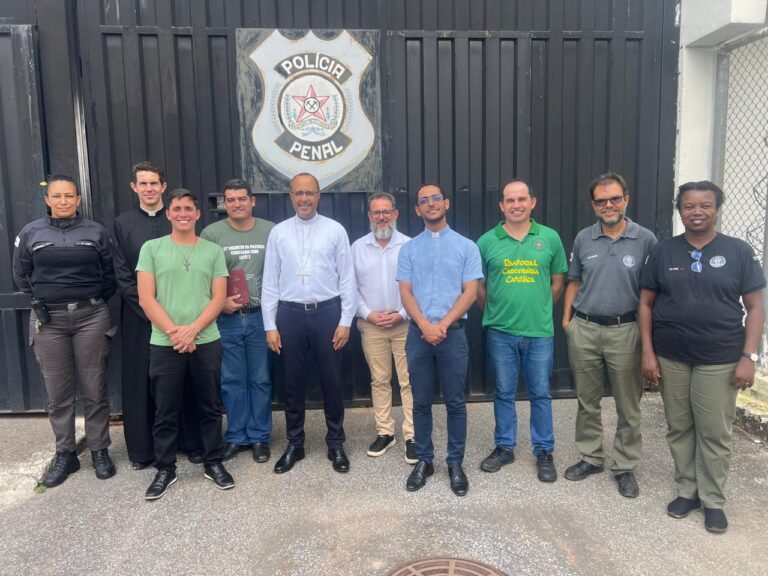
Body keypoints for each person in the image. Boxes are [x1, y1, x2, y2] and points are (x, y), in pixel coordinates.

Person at [639, 180, 765, 533]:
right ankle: (687, 490)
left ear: (716, 208)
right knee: (679, 426)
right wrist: (648, 353)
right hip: (672, 356)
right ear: (679, 210)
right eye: (689, 206)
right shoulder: (663, 252)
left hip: (721, 356)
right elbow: (645, 304)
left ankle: (713, 499)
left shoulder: (739, 252)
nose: (697, 212)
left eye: (705, 205)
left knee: (714, 431)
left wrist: (748, 356)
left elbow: (755, 307)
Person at [12, 175, 117, 487]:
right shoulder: (30, 233)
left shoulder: (96, 232)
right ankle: (66, 454)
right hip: (49, 321)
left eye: (69, 196)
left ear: (78, 200)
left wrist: (89, 298)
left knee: (94, 388)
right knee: (58, 393)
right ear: (48, 200)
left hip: (91, 316)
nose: (63, 201)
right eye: (56, 196)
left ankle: (99, 450)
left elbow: (109, 274)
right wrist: (48, 296)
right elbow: (21, 274)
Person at [561, 172, 657, 498]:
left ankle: (625, 465)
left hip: (625, 330)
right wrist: (567, 322)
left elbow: (652, 292)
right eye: (601, 201)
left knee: (628, 404)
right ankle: (591, 456)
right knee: (587, 400)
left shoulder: (645, 239)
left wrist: (648, 337)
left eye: (614, 198)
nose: (608, 205)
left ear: (626, 199)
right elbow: (573, 281)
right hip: (585, 328)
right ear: (593, 205)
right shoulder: (583, 238)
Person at [137, 188, 234, 499]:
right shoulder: (151, 249)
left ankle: (213, 461)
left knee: (209, 406)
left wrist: (192, 330)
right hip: (164, 343)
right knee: (166, 409)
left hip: (206, 340)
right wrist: (175, 333)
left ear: (197, 214)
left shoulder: (212, 251)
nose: (182, 213)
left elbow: (219, 297)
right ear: (168, 214)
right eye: (176, 208)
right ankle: (165, 469)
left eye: (188, 209)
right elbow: (145, 298)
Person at [262, 172, 356, 474]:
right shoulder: (279, 233)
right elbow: (270, 282)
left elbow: (347, 278)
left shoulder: (335, 230)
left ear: (319, 195)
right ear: (291, 196)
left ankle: (335, 442)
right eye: (299, 193)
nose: (304, 198)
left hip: (327, 312)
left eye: (310, 193)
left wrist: (345, 321)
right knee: (292, 382)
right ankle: (295, 443)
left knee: (331, 380)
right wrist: (270, 325)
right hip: (289, 315)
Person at [113, 161, 202, 470]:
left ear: (163, 187)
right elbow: (123, 276)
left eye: (154, 183)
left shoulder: (178, 218)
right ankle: (143, 450)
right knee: (141, 381)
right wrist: (151, 313)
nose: (149, 188)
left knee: (184, 378)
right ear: (134, 187)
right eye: (143, 183)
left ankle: (190, 442)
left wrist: (175, 320)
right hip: (139, 319)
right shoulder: (123, 224)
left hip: (181, 318)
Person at [476, 180, 567, 483]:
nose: (516, 205)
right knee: (503, 391)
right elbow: (479, 286)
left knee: (540, 392)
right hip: (500, 332)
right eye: (509, 200)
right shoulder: (487, 241)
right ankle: (505, 447)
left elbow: (557, 282)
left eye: (521, 199)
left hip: (540, 332)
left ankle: (544, 450)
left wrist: (540, 308)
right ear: (501, 206)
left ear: (532, 202)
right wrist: (494, 312)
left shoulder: (550, 238)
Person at [397, 183, 483, 496]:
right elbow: (405, 291)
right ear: (417, 210)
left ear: (446, 203)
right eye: (423, 201)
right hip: (418, 334)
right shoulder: (408, 249)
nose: (431, 204)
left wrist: (442, 324)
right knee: (420, 401)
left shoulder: (466, 247)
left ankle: (455, 463)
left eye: (436, 198)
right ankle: (425, 460)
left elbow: (470, 291)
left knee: (456, 402)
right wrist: (424, 324)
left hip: (453, 333)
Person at [201, 179, 275, 463]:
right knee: (232, 380)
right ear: (225, 204)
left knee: (260, 378)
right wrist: (219, 303)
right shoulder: (211, 234)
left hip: (260, 318)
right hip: (226, 319)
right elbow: (202, 275)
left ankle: (259, 436)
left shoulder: (270, 231)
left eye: (242, 199)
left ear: (252, 201)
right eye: (230, 200)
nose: (236, 204)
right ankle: (236, 436)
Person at [352, 192, 415, 464]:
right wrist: (368, 314)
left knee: (408, 381)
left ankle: (412, 435)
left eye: (386, 211)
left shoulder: (410, 246)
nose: (381, 217)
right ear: (369, 216)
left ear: (396, 214)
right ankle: (385, 432)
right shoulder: (357, 247)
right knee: (379, 380)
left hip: (405, 323)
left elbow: (419, 287)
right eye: (376, 212)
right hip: (371, 325)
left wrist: (401, 314)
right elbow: (349, 288)